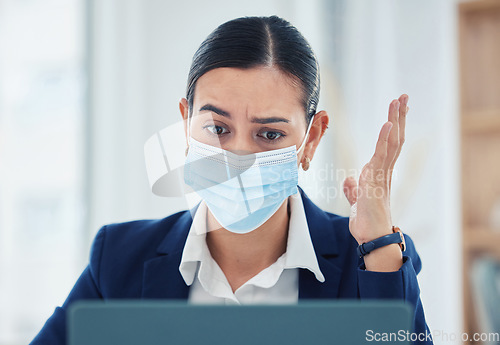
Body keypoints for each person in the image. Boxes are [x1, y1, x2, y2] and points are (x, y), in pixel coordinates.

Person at [31, 15, 433, 344]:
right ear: (186, 123)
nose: (237, 155)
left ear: (311, 140)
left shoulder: (372, 262)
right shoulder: (118, 259)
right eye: (217, 128)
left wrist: (379, 245)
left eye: (269, 134)